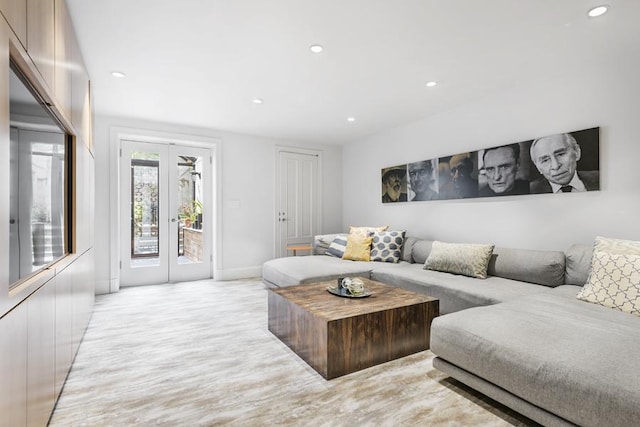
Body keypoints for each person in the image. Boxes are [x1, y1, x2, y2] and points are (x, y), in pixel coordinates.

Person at [529, 133, 599, 193]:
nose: (555, 166)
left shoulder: (600, 178)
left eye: (560, 154)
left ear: (577, 152)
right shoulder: (529, 191)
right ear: (538, 167)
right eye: (545, 160)